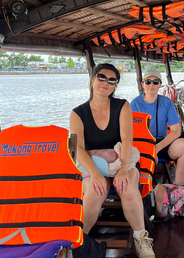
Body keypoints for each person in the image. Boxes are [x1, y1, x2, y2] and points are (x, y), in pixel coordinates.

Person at [70, 64, 154, 258]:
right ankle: (81, 243)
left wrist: (124, 168)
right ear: (92, 80)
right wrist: (97, 175)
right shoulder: (78, 113)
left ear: (115, 86)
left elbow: (127, 140)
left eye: (111, 80)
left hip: (121, 160)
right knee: (93, 190)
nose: (105, 83)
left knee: (127, 186)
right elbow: (79, 149)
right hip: (94, 164)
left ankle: (141, 238)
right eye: (101, 77)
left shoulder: (122, 106)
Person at [130, 70, 184, 186]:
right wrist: (148, 150)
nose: (151, 85)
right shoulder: (134, 104)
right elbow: (130, 132)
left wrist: (156, 148)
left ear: (160, 85)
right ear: (142, 84)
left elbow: (176, 131)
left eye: (155, 82)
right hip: (141, 144)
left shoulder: (167, 103)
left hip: (162, 143)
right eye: (148, 82)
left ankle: (178, 189)